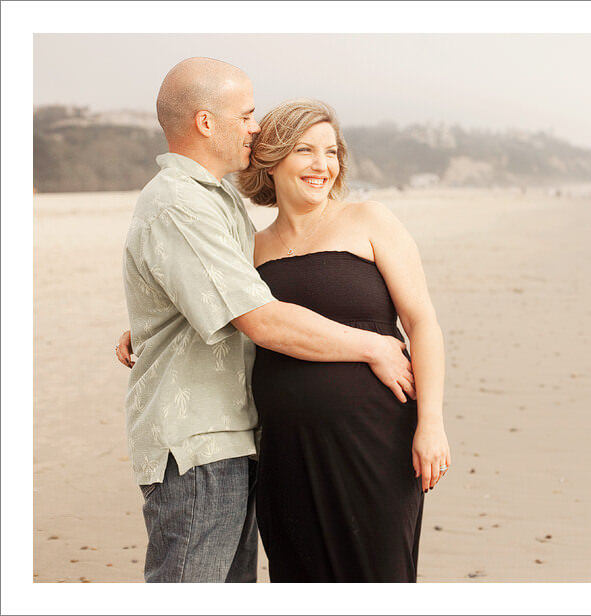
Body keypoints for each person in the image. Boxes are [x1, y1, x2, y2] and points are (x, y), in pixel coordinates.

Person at [118, 58, 415, 583]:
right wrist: (374, 346)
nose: (255, 127)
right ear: (207, 122)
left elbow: (218, 286)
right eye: (247, 114)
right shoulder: (180, 204)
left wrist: (151, 321)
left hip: (238, 439)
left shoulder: (222, 201)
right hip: (198, 445)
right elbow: (261, 318)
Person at [234, 98, 450, 582]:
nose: (322, 165)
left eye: (331, 152)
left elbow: (422, 323)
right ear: (272, 158)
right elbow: (216, 307)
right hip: (285, 449)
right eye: (306, 151)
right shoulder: (250, 247)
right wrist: (142, 331)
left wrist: (431, 422)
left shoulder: (369, 220)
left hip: (376, 443)